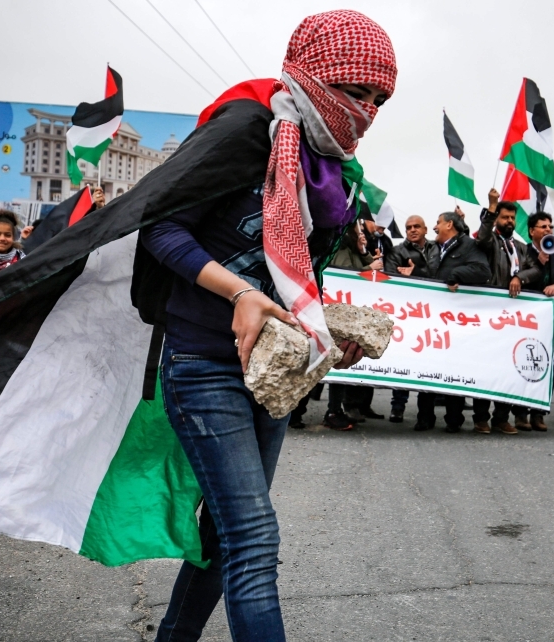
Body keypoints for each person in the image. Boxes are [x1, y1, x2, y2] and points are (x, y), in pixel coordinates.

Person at [139, 11, 393, 641]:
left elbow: (300, 273)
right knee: (253, 536)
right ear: (315, 73)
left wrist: (329, 334)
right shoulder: (244, 131)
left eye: (377, 98)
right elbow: (160, 226)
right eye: (354, 90)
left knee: (226, 536)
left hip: (275, 372)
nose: (365, 110)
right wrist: (240, 293)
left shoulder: (334, 168)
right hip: (202, 360)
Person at [414, 210, 490, 432]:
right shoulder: (435, 248)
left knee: (454, 369)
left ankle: (454, 419)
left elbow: (482, 270)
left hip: (457, 320)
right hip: (433, 318)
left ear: (449, 224)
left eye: (438, 223)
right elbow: (434, 275)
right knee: (427, 368)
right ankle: (424, 417)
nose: (435, 227)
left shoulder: (469, 245)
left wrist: (456, 274)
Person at [510, 211, 554, 431]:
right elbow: (520, 281)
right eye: (543, 227)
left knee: (549, 368)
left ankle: (539, 413)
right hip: (529, 322)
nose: (548, 230)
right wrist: (538, 265)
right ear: (532, 231)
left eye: (550, 226)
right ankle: (521, 414)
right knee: (524, 365)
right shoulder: (523, 252)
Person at [472, 189, 526, 434]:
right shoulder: (491, 242)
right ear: (497, 220)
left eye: (513, 218)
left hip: (514, 319)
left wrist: (520, 277)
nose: (510, 222)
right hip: (490, 315)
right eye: (505, 218)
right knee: (487, 367)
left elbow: (533, 269)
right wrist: (491, 207)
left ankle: (502, 418)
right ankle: (481, 417)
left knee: (508, 368)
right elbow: (482, 237)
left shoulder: (521, 248)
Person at [384, 214, 439, 423]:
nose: (412, 230)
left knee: (429, 364)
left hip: (433, 315)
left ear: (426, 229)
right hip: (408, 314)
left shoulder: (437, 249)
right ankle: (397, 407)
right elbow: (391, 276)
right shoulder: (397, 251)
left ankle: (426, 413)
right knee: (404, 361)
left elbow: (440, 274)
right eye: (408, 227)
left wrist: (417, 273)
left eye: (417, 226)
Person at [329, 223, 385, 426]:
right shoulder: (340, 249)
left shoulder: (354, 250)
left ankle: (343, 408)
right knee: (338, 359)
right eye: (359, 232)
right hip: (341, 313)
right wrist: (368, 268)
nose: (363, 235)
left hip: (352, 314)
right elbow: (345, 274)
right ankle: (333, 411)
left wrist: (363, 252)